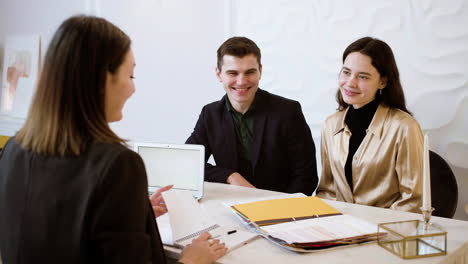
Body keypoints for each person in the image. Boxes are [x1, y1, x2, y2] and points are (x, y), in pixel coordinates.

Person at [0, 15, 226, 263]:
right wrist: (193, 259)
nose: (133, 89)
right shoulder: (117, 165)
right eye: (130, 76)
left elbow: (58, 225)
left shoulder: (13, 149)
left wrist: (134, 212)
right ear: (102, 79)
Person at [186, 37, 318, 195]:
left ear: (260, 71)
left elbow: (306, 177)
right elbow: (189, 162)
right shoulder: (210, 114)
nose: (241, 81)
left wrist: (282, 208)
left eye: (249, 72)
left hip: (281, 209)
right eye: (232, 73)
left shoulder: (288, 111)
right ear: (218, 74)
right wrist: (230, 176)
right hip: (231, 206)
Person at [316, 37, 424, 213]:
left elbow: (413, 201)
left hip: (386, 234)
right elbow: (327, 191)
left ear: (383, 81)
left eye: (363, 76)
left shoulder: (405, 127)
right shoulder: (330, 125)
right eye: (346, 72)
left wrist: (373, 230)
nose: (350, 83)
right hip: (338, 230)